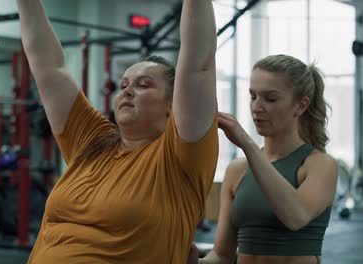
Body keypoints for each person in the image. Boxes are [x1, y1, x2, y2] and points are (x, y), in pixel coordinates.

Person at [17, 0, 218, 263]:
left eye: (143, 85)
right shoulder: (91, 143)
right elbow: (48, 67)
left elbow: (198, 66)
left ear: (172, 106)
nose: (128, 91)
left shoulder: (180, 159)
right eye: (123, 85)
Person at [190, 54, 338, 264]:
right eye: (253, 96)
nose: (257, 107)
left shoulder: (320, 165)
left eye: (270, 98)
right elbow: (222, 255)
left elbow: (296, 217)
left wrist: (246, 144)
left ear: (301, 105)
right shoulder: (237, 170)